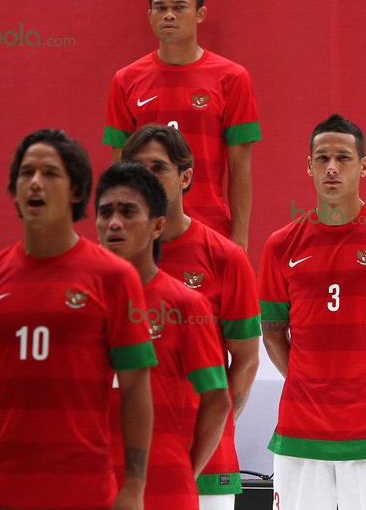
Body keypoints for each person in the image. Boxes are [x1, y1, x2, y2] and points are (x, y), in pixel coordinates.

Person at [0, 130, 156, 510]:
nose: (35, 182)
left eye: (50, 173)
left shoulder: (114, 278)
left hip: (84, 493)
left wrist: (134, 487)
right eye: (26, 173)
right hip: (1, 491)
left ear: (75, 191)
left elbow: (135, 387)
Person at [259, 114, 366, 510]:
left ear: (364, 166)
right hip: (301, 432)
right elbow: (272, 331)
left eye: (343, 157)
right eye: (322, 159)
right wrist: (311, 384)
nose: (332, 167)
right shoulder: (280, 246)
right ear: (308, 166)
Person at [121, 124, 260, 509]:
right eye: (137, 168)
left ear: (186, 177)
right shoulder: (110, 263)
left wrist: (200, 449)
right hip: (124, 469)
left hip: (206, 469)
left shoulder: (225, 257)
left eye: (157, 167)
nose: (146, 178)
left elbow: (246, 362)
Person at [97, 162, 232, 510]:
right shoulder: (76, 303)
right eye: (105, 212)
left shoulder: (186, 305)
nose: (114, 222)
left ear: (157, 225)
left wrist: (183, 471)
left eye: (128, 212)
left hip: (165, 493)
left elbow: (218, 400)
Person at [103, 0, 262, 248]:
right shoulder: (124, 81)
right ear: (149, 15)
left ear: (200, 14)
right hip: (144, 233)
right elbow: (120, 167)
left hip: (211, 232)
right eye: (160, 8)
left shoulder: (233, 78)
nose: (168, 15)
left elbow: (240, 166)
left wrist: (240, 239)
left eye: (178, 7)